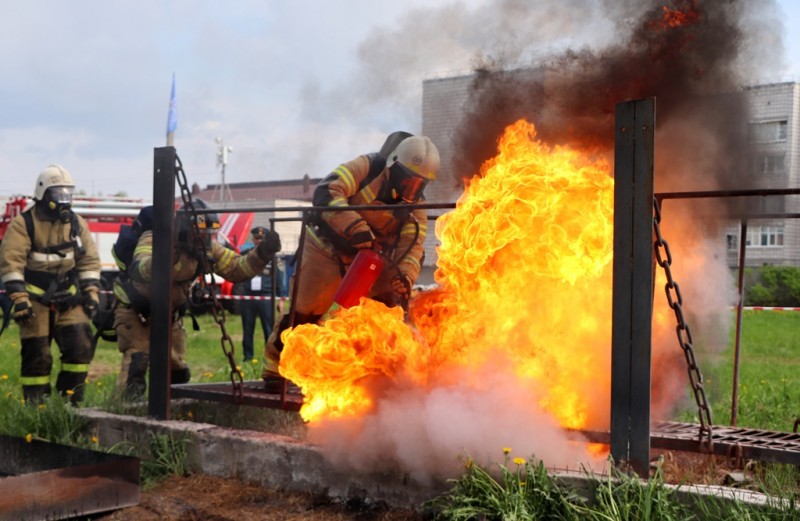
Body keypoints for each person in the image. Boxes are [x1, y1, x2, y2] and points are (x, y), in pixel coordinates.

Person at [262, 132, 439, 389]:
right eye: (406, 181)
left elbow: (412, 249)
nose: (409, 191)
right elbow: (326, 192)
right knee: (305, 313)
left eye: (418, 185)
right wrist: (353, 225)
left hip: (371, 259)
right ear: (392, 166)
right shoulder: (366, 168)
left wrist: (405, 278)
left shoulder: (416, 209)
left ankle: (369, 375)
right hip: (324, 247)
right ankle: (275, 370)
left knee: (383, 311)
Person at [113, 199, 281, 399]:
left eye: (209, 234)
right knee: (136, 365)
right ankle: (124, 413)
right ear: (184, 231)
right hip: (136, 314)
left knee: (177, 370)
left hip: (170, 315)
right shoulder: (155, 238)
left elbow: (237, 268)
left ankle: (172, 412)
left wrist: (262, 253)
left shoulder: (207, 246)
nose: (205, 239)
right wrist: (166, 258)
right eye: (200, 234)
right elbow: (140, 267)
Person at [0, 164, 102, 404]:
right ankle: (36, 408)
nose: (64, 200)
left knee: (80, 347)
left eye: (68, 194)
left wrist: (92, 292)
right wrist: (20, 300)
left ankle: (71, 404)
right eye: (59, 195)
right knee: (38, 355)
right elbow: (11, 263)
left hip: (70, 297)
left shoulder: (76, 223)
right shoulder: (23, 224)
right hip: (34, 299)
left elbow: (88, 260)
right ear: (44, 195)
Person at [232, 226, 285, 362]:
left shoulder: (273, 257)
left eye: (262, 239)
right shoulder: (245, 254)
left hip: (266, 297)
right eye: (256, 238)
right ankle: (248, 357)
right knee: (247, 329)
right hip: (248, 296)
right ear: (252, 239)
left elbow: (279, 277)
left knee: (268, 329)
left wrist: (281, 298)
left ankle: (269, 357)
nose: (259, 241)